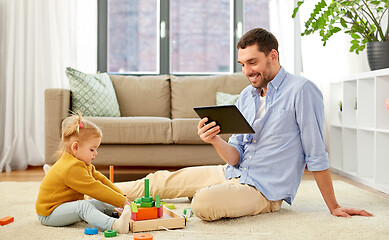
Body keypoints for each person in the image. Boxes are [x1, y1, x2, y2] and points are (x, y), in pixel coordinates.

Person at [116, 28, 373, 221]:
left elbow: (315, 153)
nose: (247, 71)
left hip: (263, 191)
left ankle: (216, 192)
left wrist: (334, 206)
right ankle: (85, 190)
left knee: (202, 204)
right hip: (231, 174)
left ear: (273, 56)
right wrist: (214, 139)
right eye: (242, 64)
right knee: (160, 181)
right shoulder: (245, 96)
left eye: (253, 62)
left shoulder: (302, 90)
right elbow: (235, 156)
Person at [36, 113, 131, 234]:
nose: (95, 153)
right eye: (92, 149)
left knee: (97, 203)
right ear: (76, 147)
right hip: (49, 213)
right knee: (84, 207)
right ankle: (114, 225)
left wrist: (122, 198)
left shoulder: (81, 162)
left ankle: (122, 212)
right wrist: (120, 200)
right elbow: (95, 188)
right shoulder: (71, 167)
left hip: (64, 206)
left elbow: (101, 180)